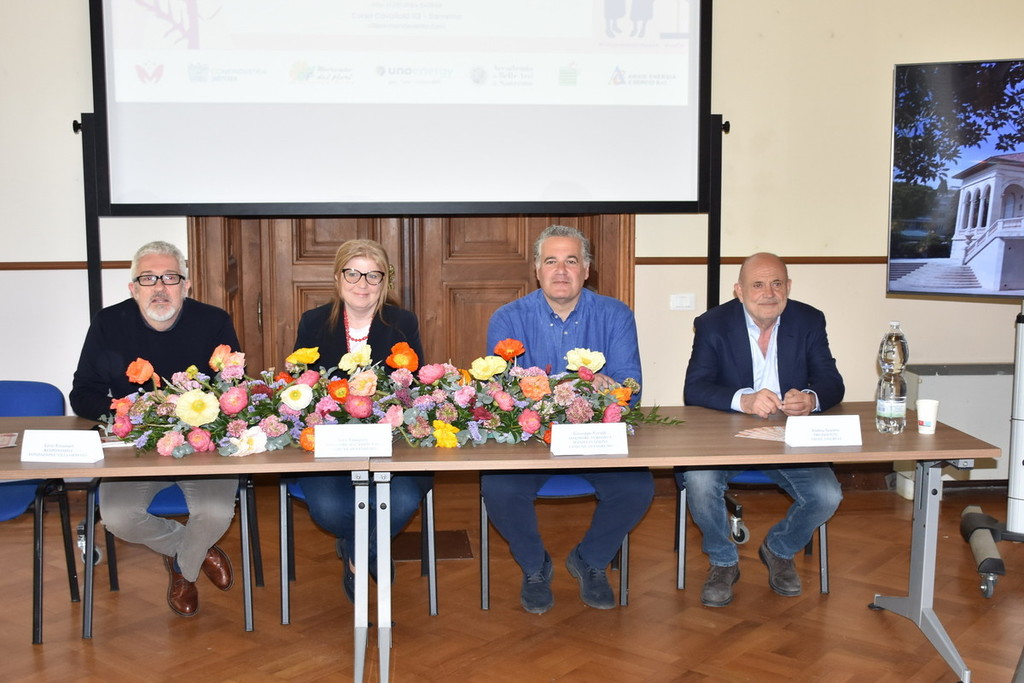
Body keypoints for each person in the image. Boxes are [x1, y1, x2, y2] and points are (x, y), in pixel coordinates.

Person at [481, 225, 653, 614]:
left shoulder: (616, 314)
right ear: (537, 270)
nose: (561, 271)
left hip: (595, 438)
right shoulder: (507, 318)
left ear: (586, 270)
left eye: (571, 261)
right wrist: (582, 383)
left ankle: (590, 560)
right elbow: (501, 392)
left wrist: (605, 389)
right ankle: (534, 567)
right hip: (530, 441)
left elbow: (631, 387)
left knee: (636, 487)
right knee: (499, 488)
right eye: (551, 261)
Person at [70, 240, 239, 618]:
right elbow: (82, 394)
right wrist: (128, 412)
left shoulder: (213, 321)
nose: (159, 287)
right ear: (133, 288)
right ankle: (191, 549)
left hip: (202, 443)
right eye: (148, 278)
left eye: (170, 277)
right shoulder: (109, 323)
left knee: (215, 513)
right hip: (137, 443)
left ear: (186, 285)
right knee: (118, 517)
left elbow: (233, 387)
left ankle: (183, 568)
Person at [678, 252, 845, 607]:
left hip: (788, 439)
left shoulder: (809, 320)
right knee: (699, 480)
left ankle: (778, 548)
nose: (768, 293)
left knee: (827, 495)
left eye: (776, 283)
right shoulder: (712, 324)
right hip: (727, 438)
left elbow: (832, 381)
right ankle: (723, 561)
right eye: (757, 285)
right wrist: (744, 400)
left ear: (788, 287)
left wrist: (811, 399)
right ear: (739, 291)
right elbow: (695, 388)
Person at [292, 238, 432, 602]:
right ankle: (372, 547)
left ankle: (357, 555)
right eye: (352, 274)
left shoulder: (402, 323)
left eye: (373, 275)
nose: (362, 284)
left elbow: (413, 386)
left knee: (402, 501)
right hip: (329, 445)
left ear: (385, 281)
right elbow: (301, 388)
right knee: (329, 508)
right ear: (337, 278)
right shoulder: (313, 323)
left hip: (391, 444)